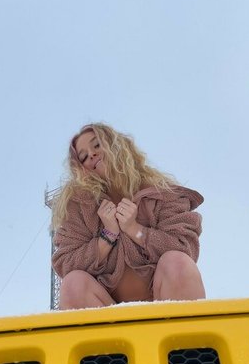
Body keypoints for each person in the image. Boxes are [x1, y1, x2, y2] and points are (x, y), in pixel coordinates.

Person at [51, 123, 206, 310]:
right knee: (73, 285)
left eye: (97, 145)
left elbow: (184, 245)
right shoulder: (79, 208)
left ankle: (182, 329)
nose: (91, 154)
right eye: (83, 157)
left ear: (116, 145)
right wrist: (107, 237)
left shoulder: (162, 194)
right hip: (109, 315)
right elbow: (65, 263)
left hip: (164, 309)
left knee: (177, 263)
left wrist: (135, 230)